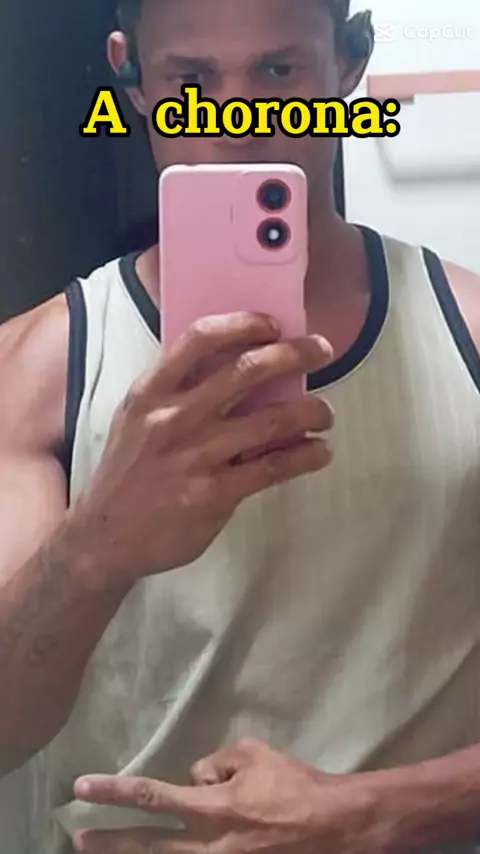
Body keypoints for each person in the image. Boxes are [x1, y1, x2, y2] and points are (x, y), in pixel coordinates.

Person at [1, 0, 480, 852]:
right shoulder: (36, 372)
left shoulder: (472, 334)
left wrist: (372, 812)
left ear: (349, 64)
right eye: (191, 79)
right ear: (131, 77)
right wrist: (94, 548)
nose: (235, 124)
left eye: (278, 72)